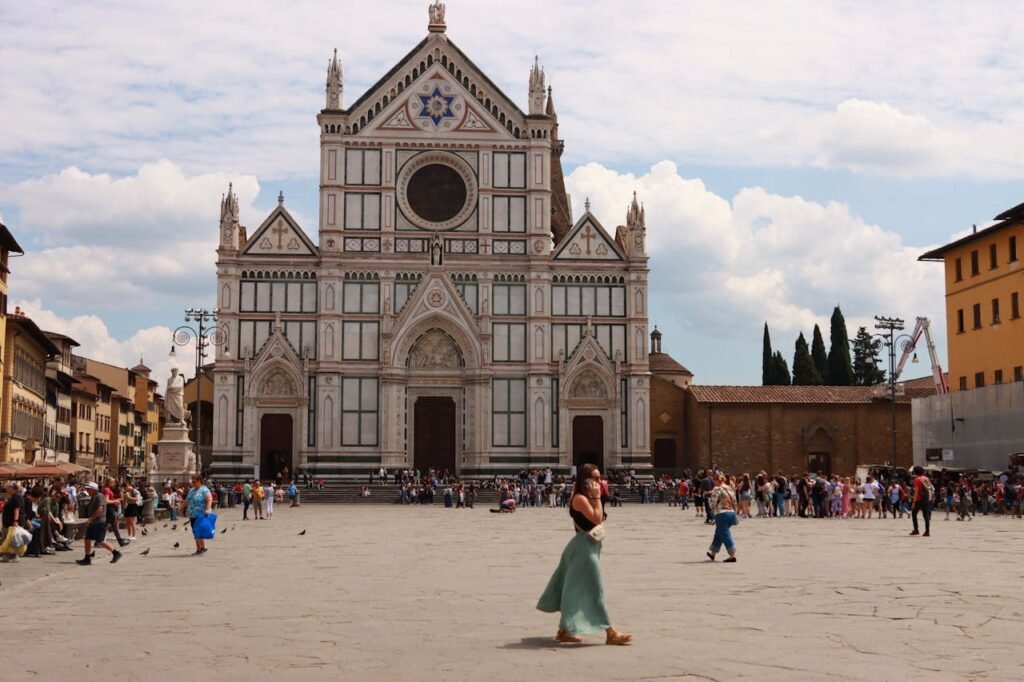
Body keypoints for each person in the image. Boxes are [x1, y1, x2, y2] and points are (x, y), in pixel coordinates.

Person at [536, 463, 632, 646]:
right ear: (584, 480)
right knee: (595, 591)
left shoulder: (587, 497)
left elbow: (600, 517)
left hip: (587, 547)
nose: (599, 481)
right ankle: (610, 632)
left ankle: (564, 631)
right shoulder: (579, 498)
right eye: (595, 478)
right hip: (583, 549)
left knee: (574, 590)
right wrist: (596, 497)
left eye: (599, 477)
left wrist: (598, 497)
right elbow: (596, 519)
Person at [76, 482, 122, 565]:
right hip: (94, 522)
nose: (87, 490)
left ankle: (116, 553)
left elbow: (100, 509)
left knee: (100, 541)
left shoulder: (99, 496)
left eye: (88, 489)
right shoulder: (94, 496)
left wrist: (91, 519)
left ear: (94, 489)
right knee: (87, 539)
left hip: (98, 522)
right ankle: (87, 558)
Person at [706, 473, 738, 562]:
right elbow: (735, 501)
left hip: (721, 514)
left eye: (714, 481)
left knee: (725, 534)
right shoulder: (729, 488)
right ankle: (713, 553)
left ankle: (732, 555)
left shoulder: (717, 489)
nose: (714, 483)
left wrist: (711, 508)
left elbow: (713, 503)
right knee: (719, 533)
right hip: (731, 513)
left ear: (716, 480)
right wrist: (735, 511)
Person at [184, 475, 213, 556]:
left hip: (201, 514)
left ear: (200, 481)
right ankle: (202, 547)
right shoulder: (192, 490)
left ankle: (199, 549)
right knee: (195, 531)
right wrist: (181, 507)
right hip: (192, 514)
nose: (192, 483)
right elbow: (187, 500)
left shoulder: (204, 490)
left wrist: (208, 509)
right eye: (192, 482)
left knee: (198, 531)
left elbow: (209, 499)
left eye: (194, 482)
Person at [910, 466, 933, 537]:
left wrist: (913, 502)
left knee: (914, 513)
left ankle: (916, 530)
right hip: (926, 498)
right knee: (925, 515)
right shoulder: (926, 478)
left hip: (919, 499)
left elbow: (916, 491)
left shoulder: (917, 479)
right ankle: (927, 531)